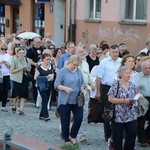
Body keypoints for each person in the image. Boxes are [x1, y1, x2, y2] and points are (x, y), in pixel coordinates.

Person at [54, 55, 86, 144]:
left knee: (79, 118)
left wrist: (82, 87)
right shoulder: (63, 71)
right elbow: (56, 84)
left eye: (76, 66)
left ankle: (73, 135)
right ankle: (66, 139)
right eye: (73, 65)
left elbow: (83, 83)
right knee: (65, 121)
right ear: (70, 62)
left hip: (77, 100)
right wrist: (65, 88)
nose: (74, 67)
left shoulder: (78, 71)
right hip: (65, 100)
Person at [95, 44, 122, 141]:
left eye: (117, 52)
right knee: (106, 112)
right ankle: (107, 134)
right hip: (106, 88)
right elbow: (98, 78)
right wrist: (98, 92)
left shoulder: (121, 62)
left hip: (118, 88)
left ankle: (116, 133)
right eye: (113, 52)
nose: (115, 54)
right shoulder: (104, 62)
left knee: (117, 111)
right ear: (109, 52)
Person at [108, 66, 137, 150]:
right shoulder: (116, 84)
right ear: (121, 74)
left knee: (132, 133)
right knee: (118, 137)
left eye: (129, 73)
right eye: (126, 73)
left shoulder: (132, 85)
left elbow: (134, 96)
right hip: (118, 114)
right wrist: (124, 101)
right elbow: (110, 99)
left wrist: (135, 100)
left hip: (130, 113)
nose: (129, 75)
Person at [10, 48, 31, 116]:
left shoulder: (27, 60)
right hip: (17, 79)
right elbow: (12, 71)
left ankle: (21, 110)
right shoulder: (14, 60)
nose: (22, 54)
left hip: (24, 78)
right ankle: (14, 105)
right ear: (17, 54)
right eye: (20, 53)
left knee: (23, 94)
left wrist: (26, 69)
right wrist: (20, 68)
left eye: (23, 53)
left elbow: (29, 69)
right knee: (16, 94)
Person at [34, 53, 54, 121]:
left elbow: (53, 73)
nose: (48, 61)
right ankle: (46, 115)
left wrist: (52, 76)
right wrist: (45, 77)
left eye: (49, 59)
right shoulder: (39, 67)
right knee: (45, 100)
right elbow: (35, 77)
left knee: (46, 100)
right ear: (43, 60)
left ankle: (41, 115)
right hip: (42, 85)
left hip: (49, 85)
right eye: (47, 59)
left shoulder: (51, 66)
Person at [26, 37, 45, 105]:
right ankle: (36, 100)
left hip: (43, 69)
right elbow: (29, 60)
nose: (38, 43)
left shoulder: (43, 49)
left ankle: (43, 100)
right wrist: (36, 64)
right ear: (34, 42)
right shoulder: (30, 50)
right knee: (35, 85)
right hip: (34, 70)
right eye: (37, 42)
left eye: (40, 42)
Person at [136, 60, 150, 147]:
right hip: (142, 98)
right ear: (142, 68)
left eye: (149, 68)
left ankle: (147, 135)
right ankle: (142, 139)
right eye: (146, 68)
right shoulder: (137, 77)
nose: (148, 70)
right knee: (141, 120)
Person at [0, 43, 11, 111]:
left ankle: (3, 106)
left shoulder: (8, 56)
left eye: (5, 49)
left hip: (6, 74)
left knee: (5, 90)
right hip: (0, 74)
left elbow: (10, 66)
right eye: (2, 49)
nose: (4, 50)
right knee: (1, 89)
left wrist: (5, 63)